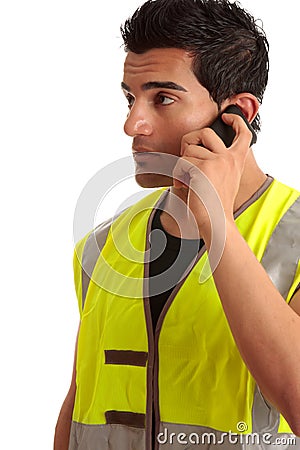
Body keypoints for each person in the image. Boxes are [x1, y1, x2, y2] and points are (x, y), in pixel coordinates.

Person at [54, 0, 300, 449]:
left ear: (236, 115)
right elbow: (76, 410)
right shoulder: (101, 246)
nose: (133, 124)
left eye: (163, 98)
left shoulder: (295, 239)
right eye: (131, 98)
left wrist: (218, 221)